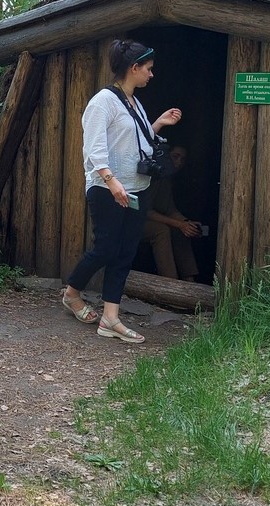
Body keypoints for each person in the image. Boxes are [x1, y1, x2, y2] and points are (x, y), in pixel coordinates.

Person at [59, 39, 182, 344]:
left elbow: (134, 143)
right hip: (107, 189)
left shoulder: (134, 102)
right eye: (148, 69)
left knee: (125, 252)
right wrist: (111, 182)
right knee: (105, 248)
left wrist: (157, 125)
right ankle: (72, 293)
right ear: (134, 68)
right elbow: (94, 148)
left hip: (138, 189)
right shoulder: (103, 101)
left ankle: (110, 319)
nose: (151, 75)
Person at [142, 146, 201, 282]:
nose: (179, 162)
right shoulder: (154, 175)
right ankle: (170, 283)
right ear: (166, 155)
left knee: (181, 230)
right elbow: (147, 211)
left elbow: (170, 209)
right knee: (161, 230)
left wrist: (186, 223)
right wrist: (179, 224)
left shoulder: (167, 178)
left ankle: (189, 281)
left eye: (183, 159)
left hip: (150, 219)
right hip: (132, 222)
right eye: (175, 156)